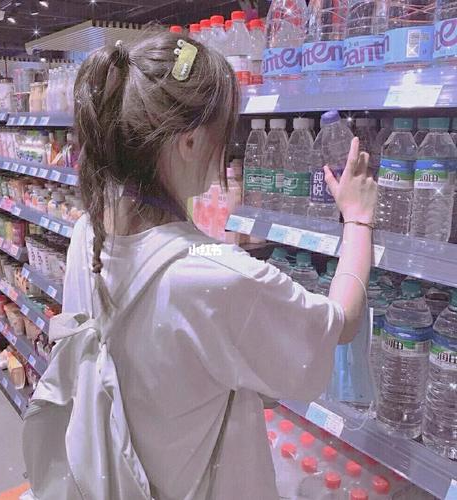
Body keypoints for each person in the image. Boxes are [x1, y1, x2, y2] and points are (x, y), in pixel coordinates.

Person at [33, 33, 377, 499]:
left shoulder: (86, 235)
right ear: (190, 141)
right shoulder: (215, 278)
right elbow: (342, 322)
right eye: (224, 131)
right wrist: (357, 218)